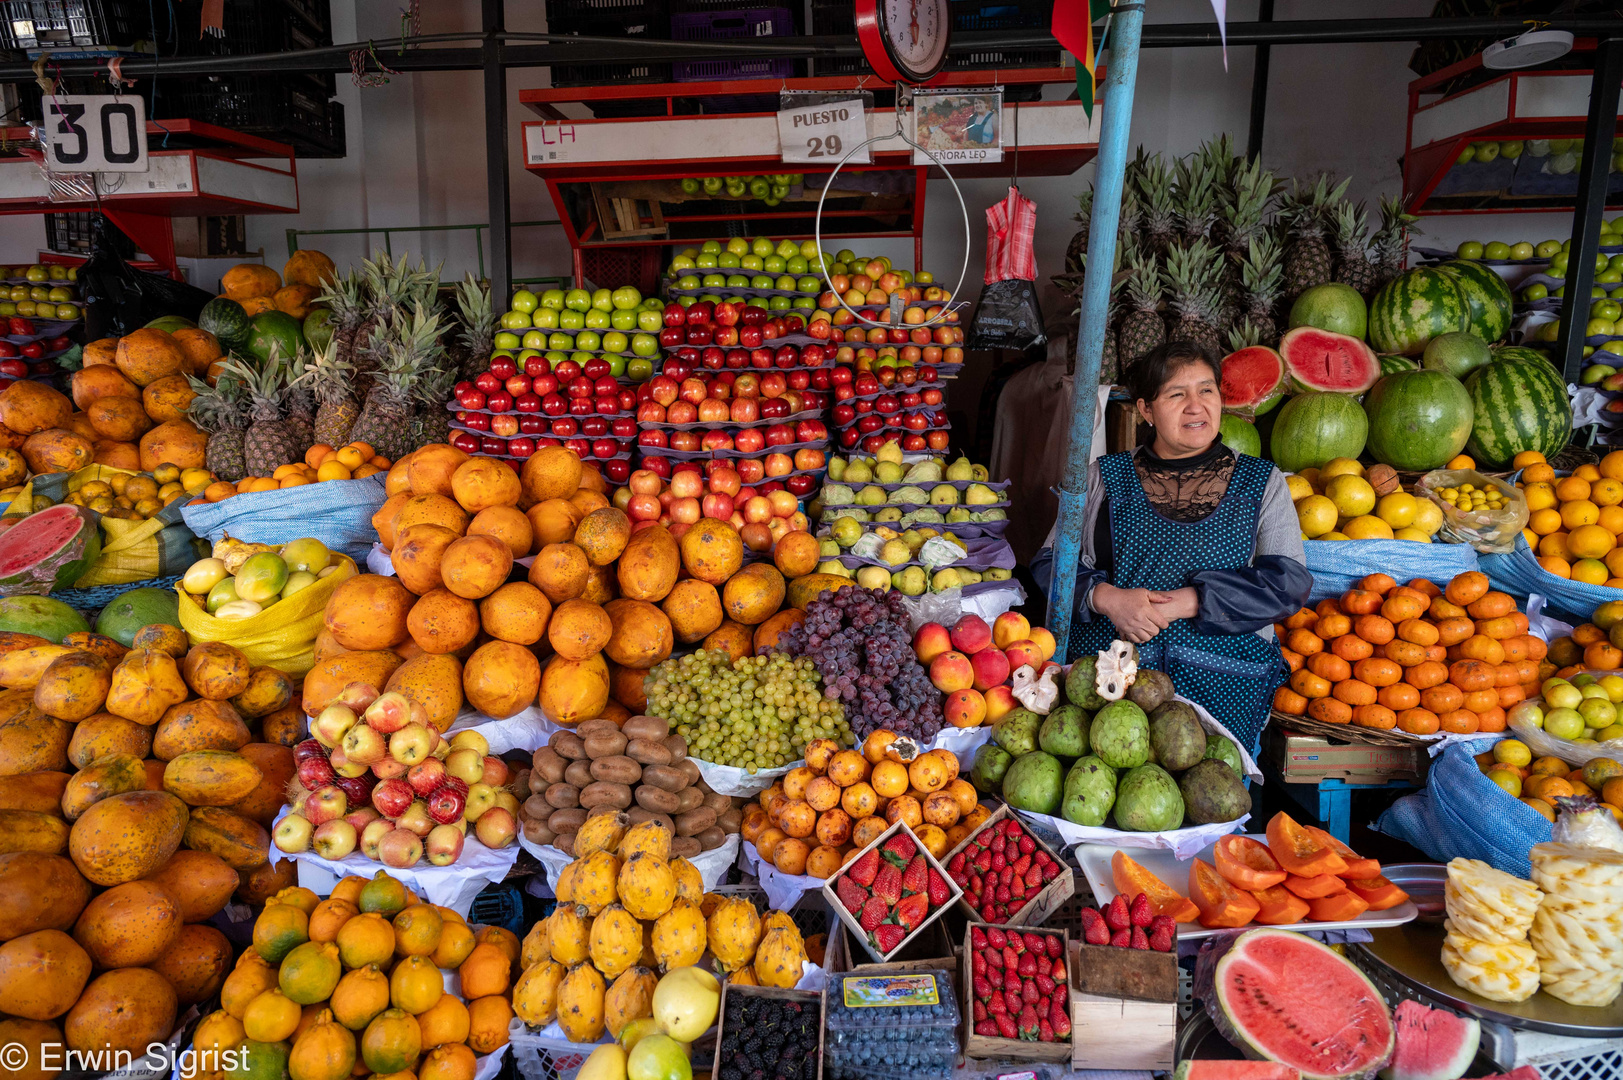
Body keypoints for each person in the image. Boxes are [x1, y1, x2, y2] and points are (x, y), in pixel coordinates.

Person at [1030, 341, 1311, 754]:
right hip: (1112, 688)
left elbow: (1287, 583)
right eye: (1177, 394)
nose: (1195, 406)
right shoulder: (1103, 478)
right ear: (1146, 410)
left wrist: (1192, 601)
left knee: (1214, 797)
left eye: (1207, 390)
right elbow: (1050, 562)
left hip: (1224, 685)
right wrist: (1106, 598)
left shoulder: (1261, 482)